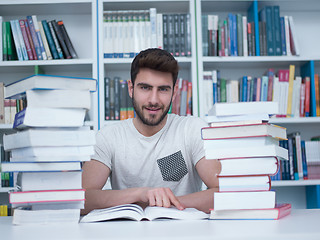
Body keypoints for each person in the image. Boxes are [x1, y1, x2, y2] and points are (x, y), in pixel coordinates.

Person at [81, 48, 220, 215]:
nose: (153, 100)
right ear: (131, 89)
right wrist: (141, 194)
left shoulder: (192, 130)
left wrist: (165, 204)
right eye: (145, 88)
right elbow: (82, 199)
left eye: (163, 89)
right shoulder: (109, 137)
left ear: (174, 92)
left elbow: (224, 190)